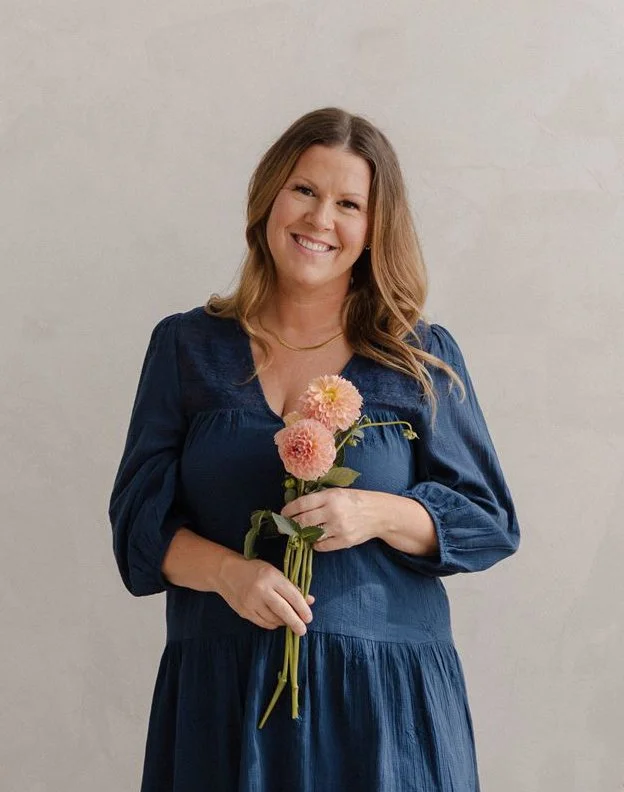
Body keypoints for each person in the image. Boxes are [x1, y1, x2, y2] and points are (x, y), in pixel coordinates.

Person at [109, 107, 520, 792]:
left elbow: (488, 522)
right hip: (225, 697)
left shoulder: (419, 358)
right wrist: (228, 574)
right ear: (269, 196)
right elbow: (136, 528)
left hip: (385, 708)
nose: (320, 218)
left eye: (349, 203)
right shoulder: (186, 347)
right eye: (305, 190)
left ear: (372, 229)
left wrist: (377, 511)